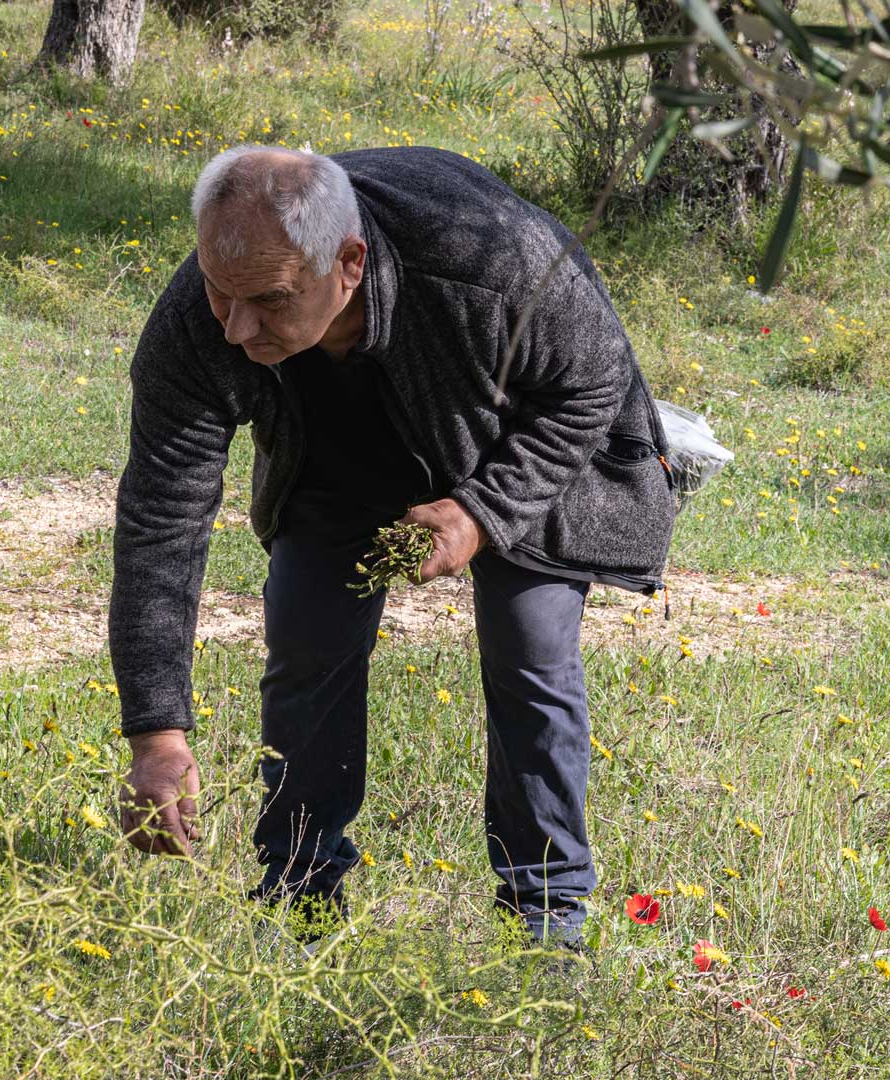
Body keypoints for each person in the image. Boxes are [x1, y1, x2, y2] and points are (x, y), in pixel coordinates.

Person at [108, 143, 677, 948]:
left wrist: (482, 512)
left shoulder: (491, 257)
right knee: (307, 641)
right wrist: (157, 733)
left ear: (349, 264)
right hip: (334, 459)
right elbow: (161, 515)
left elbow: (592, 383)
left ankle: (546, 917)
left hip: (515, 439)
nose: (236, 328)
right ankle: (300, 895)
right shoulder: (199, 319)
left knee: (530, 650)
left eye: (269, 301)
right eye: (219, 293)